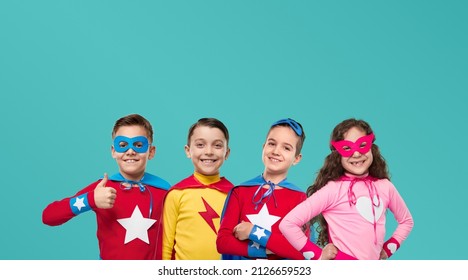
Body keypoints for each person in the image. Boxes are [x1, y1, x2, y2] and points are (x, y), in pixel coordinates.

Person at [279, 118, 414, 260]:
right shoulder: (333, 190)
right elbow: (288, 224)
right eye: (347, 148)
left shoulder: (385, 187)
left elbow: (407, 221)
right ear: (337, 155)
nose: (356, 154)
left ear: (371, 148)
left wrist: (388, 249)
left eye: (362, 145)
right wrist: (317, 255)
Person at [42, 114, 170, 260]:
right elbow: (48, 216)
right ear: (113, 151)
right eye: (122, 145)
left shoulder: (165, 191)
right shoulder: (101, 189)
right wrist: (90, 199)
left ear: (151, 151)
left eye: (138, 145)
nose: (130, 151)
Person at [216, 118, 309, 260]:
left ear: (297, 158)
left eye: (286, 148)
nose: (276, 151)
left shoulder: (300, 199)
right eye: (272, 144)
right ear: (263, 147)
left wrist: (254, 231)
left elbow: (303, 250)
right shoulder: (240, 192)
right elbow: (223, 243)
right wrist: (266, 251)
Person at [161, 118, 234, 260]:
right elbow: (166, 246)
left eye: (217, 146)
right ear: (188, 151)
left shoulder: (235, 196)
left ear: (227, 153)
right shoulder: (176, 194)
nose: (208, 151)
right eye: (200, 145)